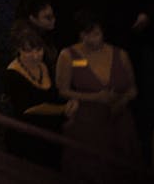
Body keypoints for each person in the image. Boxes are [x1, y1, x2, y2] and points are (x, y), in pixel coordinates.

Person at [57, 11, 139, 182]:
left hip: (119, 122)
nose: (93, 39)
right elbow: (62, 90)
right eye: (87, 35)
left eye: (97, 34)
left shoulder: (120, 54)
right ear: (80, 35)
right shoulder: (68, 55)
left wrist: (122, 100)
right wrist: (95, 98)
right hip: (87, 125)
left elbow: (133, 89)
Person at [3, 21, 71, 167]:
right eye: (28, 51)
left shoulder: (44, 65)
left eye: (39, 49)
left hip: (52, 135)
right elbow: (27, 108)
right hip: (28, 138)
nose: (35, 56)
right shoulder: (12, 74)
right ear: (18, 50)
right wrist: (63, 109)